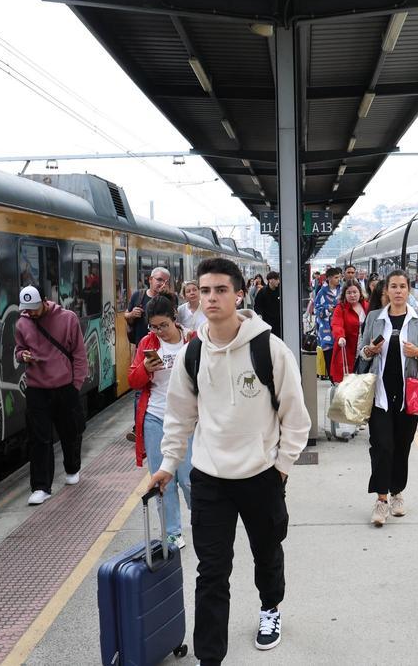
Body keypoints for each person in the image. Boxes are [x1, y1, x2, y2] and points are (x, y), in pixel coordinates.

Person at [147, 257, 310, 663]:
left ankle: (270, 608)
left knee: (267, 552)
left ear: (239, 295)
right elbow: (179, 416)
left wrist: (282, 467)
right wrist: (168, 464)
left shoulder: (269, 349)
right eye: (205, 290)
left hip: (261, 475)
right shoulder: (193, 354)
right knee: (211, 572)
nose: (211, 298)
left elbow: (296, 417)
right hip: (209, 478)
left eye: (220, 290)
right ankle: (210, 657)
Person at [357, 270, 418, 527]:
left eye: (403, 286)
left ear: (408, 290)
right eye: (393, 286)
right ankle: (381, 500)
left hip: (408, 396)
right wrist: (370, 350)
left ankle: (397, 492)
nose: (398, 291)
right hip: (380, 395)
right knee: (382, 446)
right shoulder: (374, 318)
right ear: (387, 291)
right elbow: (361, 352)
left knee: (402, 446)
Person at [128, 295, 195, 548]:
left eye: (163, 325)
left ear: (174, 318)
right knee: (162, 480)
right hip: (155, 418)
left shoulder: (192, 340)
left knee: (190, 477)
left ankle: (203, 521)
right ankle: (172, 532)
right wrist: (145, 368)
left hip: (187, 419)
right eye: (154, 327)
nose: (159, 331)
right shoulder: (148, 343)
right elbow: (133, 381)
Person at [14, 285, 88, 505]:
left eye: (34, 307)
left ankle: (72, 468)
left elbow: (79, 354)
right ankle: (41, 487)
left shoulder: (68, 318)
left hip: (65, 386)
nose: (30, 312)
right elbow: (18, 350)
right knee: (39, 438)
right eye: (27, 308)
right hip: (37, 388)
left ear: (45, 301)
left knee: (70, 432)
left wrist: (75, 385)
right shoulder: (22, 323)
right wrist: (23, 355)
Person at [124, 267, 172, 442]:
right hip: (143, 348)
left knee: (160, 383)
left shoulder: (168, 299)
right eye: (159, 279)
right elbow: (127, 316)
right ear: (150, 279)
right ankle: (139, 427)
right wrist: (131, 314)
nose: (162, 283)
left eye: (165, 281)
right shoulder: (139, 296)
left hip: (164, 348)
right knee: (139, 389)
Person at [330, 281, 368, 384]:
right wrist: (340, 336)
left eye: (355, 292)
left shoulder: (367, 306)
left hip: (365, 349)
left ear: (360, 293)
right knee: (346, 383)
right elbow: (337, 324)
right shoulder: (340, 308)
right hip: (346, 348)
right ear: (344, 295)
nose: (352, 295)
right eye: (349, 293)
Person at [313, 267, 342, 378]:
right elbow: (316, 310)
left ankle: (339, 378)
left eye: (339, 277)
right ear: (329, 278)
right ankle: (332, 378)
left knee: (339, 353)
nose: (338, 279)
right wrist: (328, 309)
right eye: (336, 277)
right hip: (325, 328)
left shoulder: (342, 291)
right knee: (328, 353)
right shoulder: (321, 293)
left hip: (339, 326)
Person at [254, 271, 283, 338]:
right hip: (267, 322)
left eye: (278, 279)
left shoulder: (281, 291)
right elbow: (257, 305)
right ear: (270, 280)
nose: (278, 281)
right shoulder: (262, 291)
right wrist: (259, 314)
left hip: (279, 322)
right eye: (276, 279)